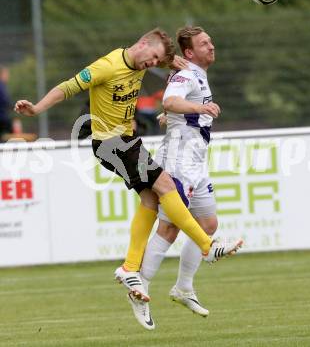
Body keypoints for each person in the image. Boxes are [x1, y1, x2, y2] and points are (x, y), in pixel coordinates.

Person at [14, 28, 239, 308]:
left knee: (150, 198)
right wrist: (36, 109)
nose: (151, 64)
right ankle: (206, 246)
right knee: (166, 185)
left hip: (128, 140)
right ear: (142, 44)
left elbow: (163, 56)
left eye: (157, 61)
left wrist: (173, 61)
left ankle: (131, 267)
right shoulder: (106, 67)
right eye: (152, 58)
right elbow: (67, 87)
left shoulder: (143, 61)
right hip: (110, 143)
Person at [127, 26, 243, 330]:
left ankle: (183, 287)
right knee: (169, 227)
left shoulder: (197, 73)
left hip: (196, 162)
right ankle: (140, 289)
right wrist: (196, 108)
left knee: (208, 223)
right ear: (189, 52)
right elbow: (170, 100)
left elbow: (177, 109)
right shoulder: (186, 74)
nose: (212, 46)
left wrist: (186, 114)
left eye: (211, 41)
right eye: (205, 43)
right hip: (178, 161)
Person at [0, 65, 12, 140]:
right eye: (6, 74)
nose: (8, 76)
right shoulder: (1, 86)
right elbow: (5, 101)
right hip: (2, 119)